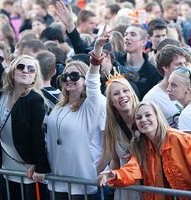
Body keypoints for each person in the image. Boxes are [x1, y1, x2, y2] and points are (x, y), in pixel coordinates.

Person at [0, 1, 51, 199]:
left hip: (29, 169)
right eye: (21, 67)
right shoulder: (3, 88)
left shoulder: (34, 100)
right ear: (13, 71)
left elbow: (37, 136)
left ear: (34, 77)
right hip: (5, 165)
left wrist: (40, 166)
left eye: (31, 69)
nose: (25, 71)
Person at [97, 101, 191, 199]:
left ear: (157, 117)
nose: (144, 120)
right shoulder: (142, 146)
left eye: (148, 115)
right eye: (139, 117)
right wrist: (115, 175)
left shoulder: (179, 139)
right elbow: (132, 170)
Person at [45, 23, 110, 200]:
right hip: (57, 181)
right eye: (65, 76)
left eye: (74, 76)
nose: (69, 79)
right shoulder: (59, 105)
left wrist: (97, 48)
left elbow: (94, 80)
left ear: (84, 79)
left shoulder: (90, 106)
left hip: (83, 185)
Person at [96, 76, 141, 200]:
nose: (122, 95)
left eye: (125, 91)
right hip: (125, 189)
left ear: (132, 93)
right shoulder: (112, 127)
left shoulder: (146, 118)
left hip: (149, 184)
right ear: (112, 102)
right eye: (116, 93)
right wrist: (91, 179)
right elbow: (113, 159)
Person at [144, 45, 186, 128]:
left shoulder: (189, 88)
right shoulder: (151, 99)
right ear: (166, 68)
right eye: (179, 64)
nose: (184, 67)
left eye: (184, 63)